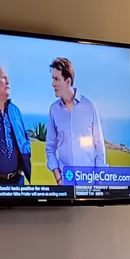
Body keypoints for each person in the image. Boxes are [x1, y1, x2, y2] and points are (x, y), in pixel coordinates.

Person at [44, 57, 105, 185]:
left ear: (68, 81)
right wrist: (59, 179)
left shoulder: (89, 106)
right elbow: (50, 148)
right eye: (52, 79)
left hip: (90, 184)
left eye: (56, 79)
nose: (52, 84)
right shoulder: (54, 110)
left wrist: (100, 181)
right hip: (66, 184)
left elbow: (99, 146)